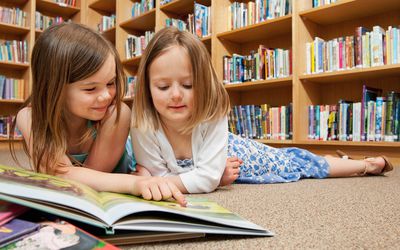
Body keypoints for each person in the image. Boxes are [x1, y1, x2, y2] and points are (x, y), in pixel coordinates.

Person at [130, 27, 393, 194]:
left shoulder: (212, 114)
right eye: (163, 86)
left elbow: (168, 180)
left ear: (204, 84)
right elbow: (169, 179)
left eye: (188, 84)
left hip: (234, 152)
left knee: (296, 162)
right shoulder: (142, 123)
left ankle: (364, 165)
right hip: (218, 164)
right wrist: (202, 177)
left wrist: (205, 179)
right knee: (295, 161)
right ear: (147, 87)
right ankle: (349, 161)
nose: (176, 95)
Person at [10, 23, 186, 206]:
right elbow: (61, 175)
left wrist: (139, 181)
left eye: (111, 83)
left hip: (141, 165)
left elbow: (88, 182)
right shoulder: (30, 117)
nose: (106, 96)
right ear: (53, 87)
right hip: (131, 181)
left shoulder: (117, 114)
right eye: (91, 88)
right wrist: (134, 183)